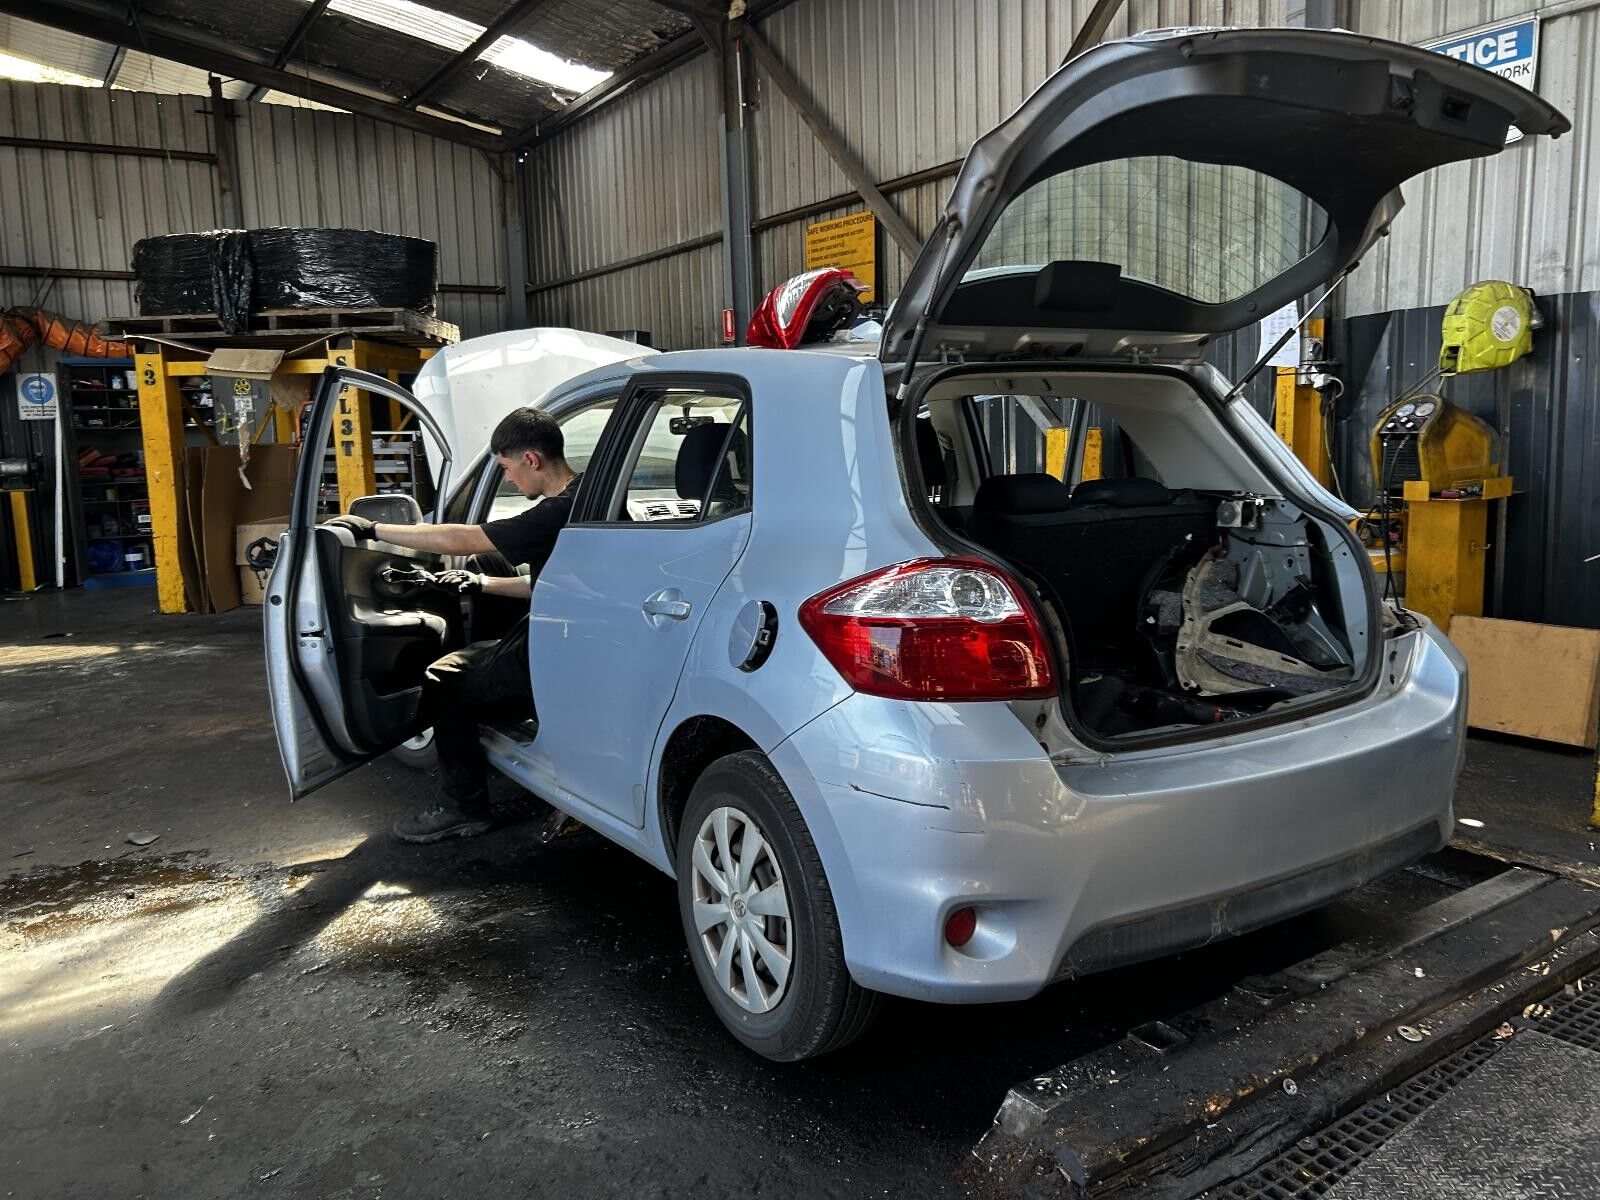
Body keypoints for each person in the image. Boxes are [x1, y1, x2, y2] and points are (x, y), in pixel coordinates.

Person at [327, 406, 581, 844]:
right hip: (574, 624)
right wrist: (480, 582)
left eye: (506, 468)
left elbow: (461, 539)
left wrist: (373, 529)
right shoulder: (589, 491)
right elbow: (549, 583)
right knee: (486, 616)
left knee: (444, 678)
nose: (508, 479)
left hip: (559, 640)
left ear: (531, 459)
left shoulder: (554, 512)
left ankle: (461, 808)